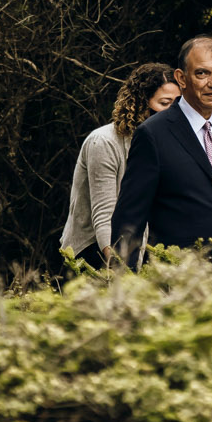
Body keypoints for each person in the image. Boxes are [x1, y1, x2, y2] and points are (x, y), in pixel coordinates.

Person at [110, 35, 212, 262]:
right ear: (181, 78)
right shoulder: (153, 134)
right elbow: (130, 219)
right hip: (183, 278)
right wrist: (124, 283)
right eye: (202, 73)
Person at [59, 62, 178, 268]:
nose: (172, 112)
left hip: (145, 247)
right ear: (142, 103)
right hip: (94, 251)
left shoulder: (171, 143)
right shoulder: (104, 141)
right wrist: (119, 270)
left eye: (177, 104)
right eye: (165, 103)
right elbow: (104, 214)